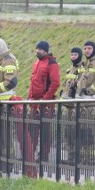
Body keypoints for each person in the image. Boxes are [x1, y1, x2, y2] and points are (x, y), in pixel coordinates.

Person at [26, 41, 60, 173]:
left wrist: (44, 100)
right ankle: (30, 154)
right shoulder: (37, 63)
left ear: (46, 50)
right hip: (35, 102)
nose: (38, 51)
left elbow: (55, 83)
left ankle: (44, 155)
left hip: (46, 103)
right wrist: (30, 98)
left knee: (45, 130)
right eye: (37, 49)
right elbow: (33, 81)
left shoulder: (52, 63)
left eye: (40, 49)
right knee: (32, 129)